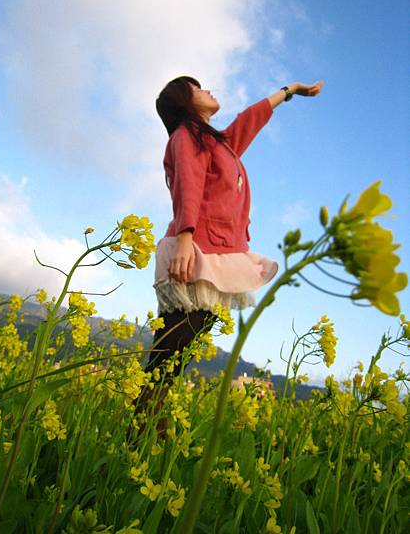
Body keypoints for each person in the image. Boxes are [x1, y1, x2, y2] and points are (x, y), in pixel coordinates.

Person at [132, 76, 324, 438]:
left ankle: (145, 425)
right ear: (185, 103)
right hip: (197, 247)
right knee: (173, 346)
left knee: (181, 345)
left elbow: (249, 120)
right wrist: (186, 238)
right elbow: (187, 183)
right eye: (197, 89)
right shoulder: (186, 137)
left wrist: (289, 92)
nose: (208, 90)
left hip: (216, 246)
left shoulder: (217, 143)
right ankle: (142, 427)